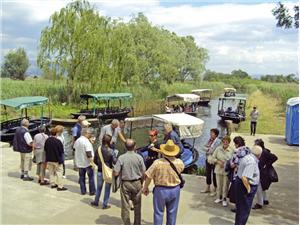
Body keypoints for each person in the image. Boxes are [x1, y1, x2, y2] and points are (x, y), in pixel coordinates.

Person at [142, 140, 184, 225]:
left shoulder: (157, 163)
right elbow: (181, 170)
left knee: (158, 213)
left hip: (160, 190)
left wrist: (145, 187)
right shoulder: (180, 162)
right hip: (175, 190)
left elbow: (149, 176)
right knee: (172, 213)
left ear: (164, 152)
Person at [113, 139, 146, 225]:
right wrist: (141, 183)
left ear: (125, 147)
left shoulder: (121, 157)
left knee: (125, 206)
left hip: (126, 183)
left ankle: (127, 223)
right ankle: (137, 223)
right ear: (135, 147)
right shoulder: (139, 157)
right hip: (137, 182)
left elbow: (116, 172)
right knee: (137, 205)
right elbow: (144, 172)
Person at [234, 145, 262, 225]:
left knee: (240, 208)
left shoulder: (248, 157)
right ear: (259, 154)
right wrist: (249, 189)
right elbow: (244, 177)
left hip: (240, 184)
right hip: (245, 186)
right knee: (244, 209)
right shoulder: (252, 162)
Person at [90, 134, 117, 209]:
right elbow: (115, 162)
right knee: (107, 189)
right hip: (108, 172)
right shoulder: (111, 151)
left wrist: (100, 164)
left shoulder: (98, 149)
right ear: (109, 141)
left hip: (100, 171)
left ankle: (96, 201)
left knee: (99, 188)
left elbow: (95, 161)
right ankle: (105, 204)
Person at [227, 136, 251, 212]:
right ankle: (243, 206)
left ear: (236, 144)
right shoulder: (248, 149)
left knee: (236, 192)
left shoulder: (236, 151)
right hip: (246, 173)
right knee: (244, 191)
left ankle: (238, 207)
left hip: (238, 174)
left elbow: (233, 164)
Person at [252, 139, 278, 210]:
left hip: (262, 173)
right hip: (261, 172)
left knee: (258, 187)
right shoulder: (261, 151)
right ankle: (265, 199)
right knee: (262, 186)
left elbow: (275, 157)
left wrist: (267, 165)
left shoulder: (264, 152)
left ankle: (259, 203)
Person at [209, 135, 234, 206]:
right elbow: (211, 158)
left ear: (229, 142)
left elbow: (233, 160)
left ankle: (224, 199)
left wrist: (227, 164)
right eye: (224, 141)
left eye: (227, 142)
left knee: (225, 186)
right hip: (218, 170)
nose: (225, 143)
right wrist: (217, 161)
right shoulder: (218, 149)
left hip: (226, 171)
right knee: (219, 184)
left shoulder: (232, 150)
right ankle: (219, 197)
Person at [74, 127, 96, 195]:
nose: (90, 135)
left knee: (81, 178)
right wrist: (92, 163)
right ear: (86, 133)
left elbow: (74, 149)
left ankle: (83, 191)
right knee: (91, 178)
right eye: (90, 133)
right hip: (87, 163)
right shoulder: (86, 142)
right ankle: (92, 191)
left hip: (80, 162)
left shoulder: (78, 140)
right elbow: (88, 154)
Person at [201, 128, 221, 196]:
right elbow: (202, 147)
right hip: (208, 159)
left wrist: (207, 149)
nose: (210, 134)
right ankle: (208, 187)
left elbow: (212, 151)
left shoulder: (218, 141)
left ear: (216, 134)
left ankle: (215, 189)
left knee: (214, 174)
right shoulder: (209, 140)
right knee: (208, 173)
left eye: (212, 133)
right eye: (210, 133)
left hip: (214, 160)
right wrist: (208, 149)